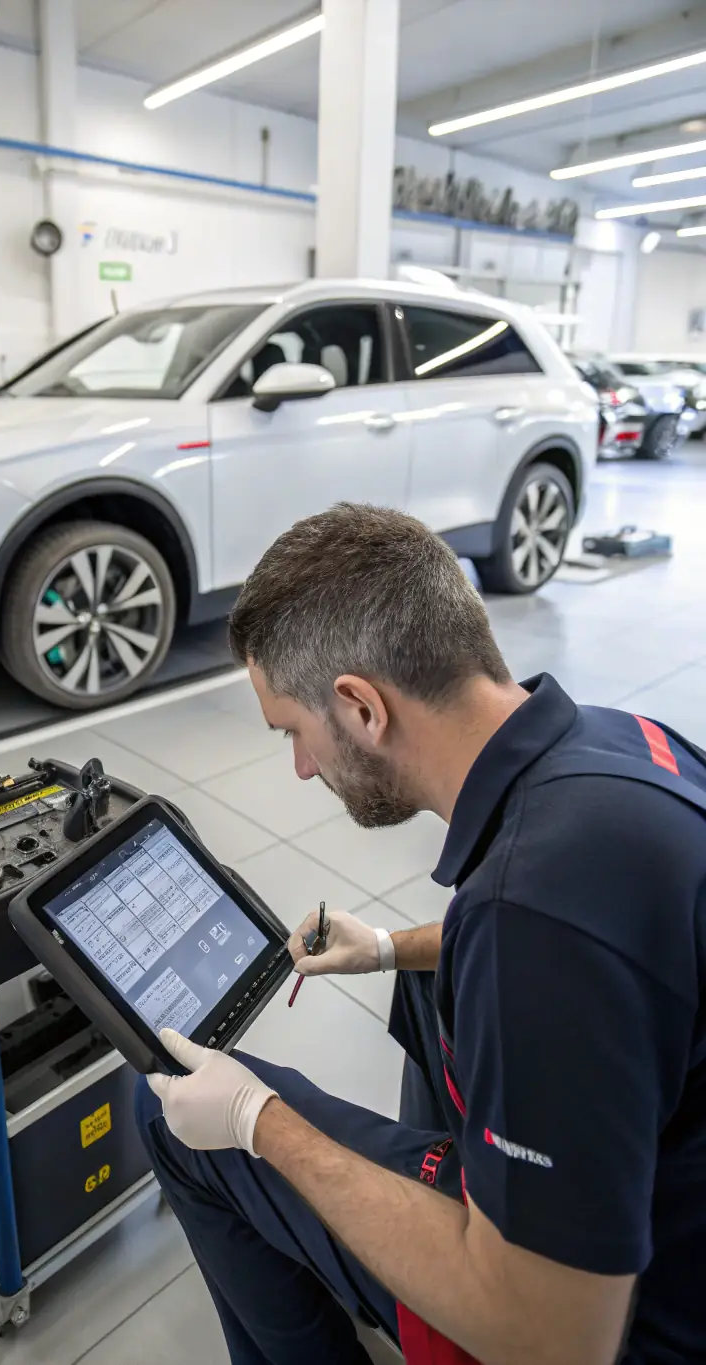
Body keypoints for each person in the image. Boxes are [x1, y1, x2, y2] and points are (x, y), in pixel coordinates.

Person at [134, 503, 706, 1365]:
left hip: (620, 1318)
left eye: (293, 730)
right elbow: (613, 955)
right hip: (670, 1193)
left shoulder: (530, 917)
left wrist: (258, 1120)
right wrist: (393, 947)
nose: (299, 766)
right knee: (422, 980)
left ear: (361, 706)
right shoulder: (622, 747)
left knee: (171, 1115)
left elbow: (554, 1340)